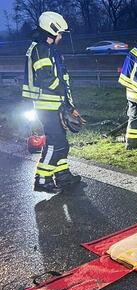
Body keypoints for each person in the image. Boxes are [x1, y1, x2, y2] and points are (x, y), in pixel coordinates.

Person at [22, 11, 82, 193]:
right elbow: (47, 79)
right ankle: (42, 179)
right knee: (56, 143)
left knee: (61, 141)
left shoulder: (47, 49)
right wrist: (64, 94)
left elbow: (60, 78)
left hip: (54, 104)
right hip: (46, 105)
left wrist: (68, 104)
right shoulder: (41, 49)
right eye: (60, 33)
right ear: (52, 30)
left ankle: (63, 176)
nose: (61, 37)